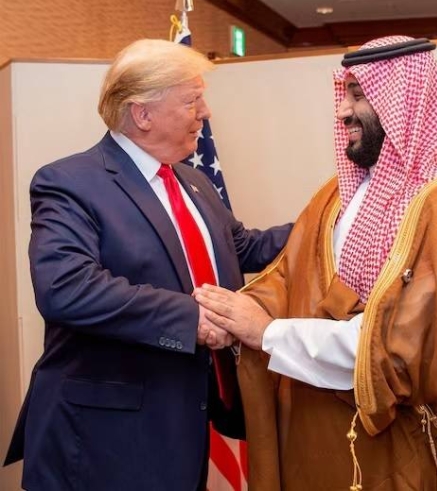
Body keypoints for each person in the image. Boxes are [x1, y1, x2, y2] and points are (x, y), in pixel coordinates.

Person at [195, 35, 437, 490]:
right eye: (343, 93)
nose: (342, 111)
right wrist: (232, 313)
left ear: (402, 100)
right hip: (320, 439)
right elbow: (290, 276)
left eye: (358, 95)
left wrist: (266, 332)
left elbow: (406, 354)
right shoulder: (335, 195)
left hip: (404, 453)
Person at [3, 38, 291, 491]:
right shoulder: (69, 182)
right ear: (142, 114)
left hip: (184, 425)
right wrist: (190, 318)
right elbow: (66, 288)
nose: (206, 112)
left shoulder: (191, 180)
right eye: (193, 99)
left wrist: (328, 221)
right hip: (105, 441)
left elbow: (244, 248)